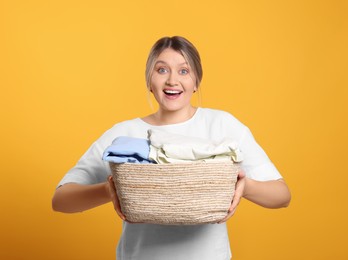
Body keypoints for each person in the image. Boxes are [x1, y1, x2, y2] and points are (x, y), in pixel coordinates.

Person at [52, 36, 291, 260]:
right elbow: (61, 200)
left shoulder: (222, 126)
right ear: (149, 80)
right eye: (162, 69)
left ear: (196, 81)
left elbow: (282, 195)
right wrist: (110, 190)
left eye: (184, 71)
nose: (172, 80)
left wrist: (243, 186)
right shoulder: (124, 135)